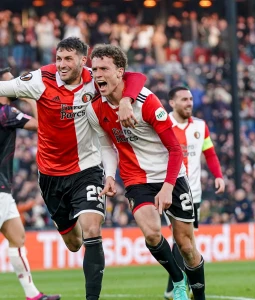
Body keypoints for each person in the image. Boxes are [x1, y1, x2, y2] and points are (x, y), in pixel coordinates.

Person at [0, 37, 146, 300]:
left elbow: (135, 77)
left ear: (83, 59)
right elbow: (4, 86)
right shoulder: (40, 79)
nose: (62, 65)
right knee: (74, 243)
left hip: (87, 169)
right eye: (58, 59)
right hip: (50, 175)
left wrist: (126, 100)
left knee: (92, 229)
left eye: (68, 59)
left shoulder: (95, 78)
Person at [87, 44, 206, 300]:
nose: (97, 74)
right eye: (94, 68)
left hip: (171, 176)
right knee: (152, 234)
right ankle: (178, 282)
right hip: (136, 180)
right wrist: (109, 175)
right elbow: (107, 146)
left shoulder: (147, 101)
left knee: (186, 246)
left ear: (120, 72)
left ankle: (200, 295)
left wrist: (168, 186)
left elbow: (175, 149)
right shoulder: (95, 108)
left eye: (104, 68)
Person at [0, 68, 60, 300]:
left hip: (4, 190)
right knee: (17, 238)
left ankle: (32, 295)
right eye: (9, 81)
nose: (14, 83)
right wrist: (30, 97)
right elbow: (42, 124)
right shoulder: (5, 112)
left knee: (17, 237)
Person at [163, 86, 225, 299]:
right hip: (168, 190)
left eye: (190, 99)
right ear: (172, 103)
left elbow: (210, 153)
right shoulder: (163, 124)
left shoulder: (200, 126)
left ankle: (174, 287)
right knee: (182, 239)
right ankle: (177, 287)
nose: (189, 103)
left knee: (184, 239)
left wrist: (218, 175)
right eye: (183, 100)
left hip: (193, 193)